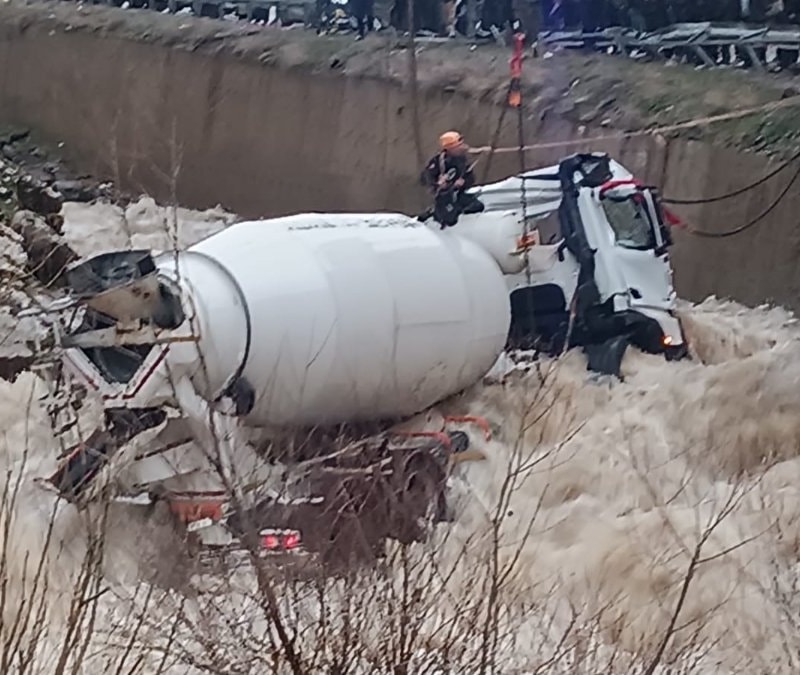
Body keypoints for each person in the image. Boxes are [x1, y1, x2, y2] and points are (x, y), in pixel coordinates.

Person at [419, 131, 485, 229]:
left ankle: (462, 220)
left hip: (459, 195)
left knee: (477, 206)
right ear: (449, 148)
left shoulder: (462, 160)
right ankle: (435, 214)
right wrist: (438, 182)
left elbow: (470, 178)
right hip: (445, 197)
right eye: (458, 146)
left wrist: (464, 183)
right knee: (450, 219)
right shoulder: (438, 162)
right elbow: (424, 178)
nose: (461, 147)